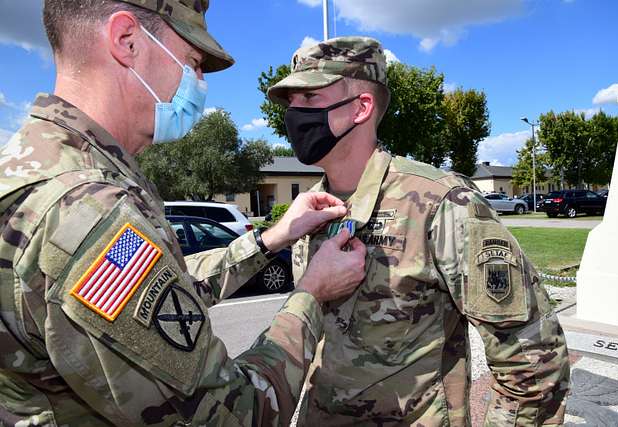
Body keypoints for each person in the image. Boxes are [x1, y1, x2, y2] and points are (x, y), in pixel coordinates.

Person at [0, 1, 368, 425]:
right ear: (127, 40)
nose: (198, 82)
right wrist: (311, 295)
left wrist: (270, 240)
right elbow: (234, 414)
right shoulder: (88, 213)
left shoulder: (35, 167)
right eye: (193, 62)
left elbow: (169, 299)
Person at [267, 36, 571, 426]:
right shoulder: (308, 211)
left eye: (309, 99)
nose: (294, 115)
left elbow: (532, 360)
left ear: (361, 107)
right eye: (290, 103)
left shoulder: (441, 202)